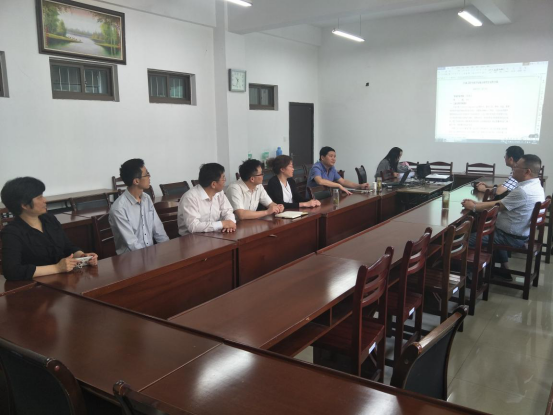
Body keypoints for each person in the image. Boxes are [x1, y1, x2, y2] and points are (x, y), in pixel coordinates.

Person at [461, 154, 545, 280]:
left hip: (510, 237)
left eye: (517, 167)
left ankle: (468, 275)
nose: (513, 169)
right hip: (516, 232)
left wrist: (473, 207)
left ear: (527, 171)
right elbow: (501, 202)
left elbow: (498, 206)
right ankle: (504, 270)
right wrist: (476, 204)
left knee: (467, 239)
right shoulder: (535, 185)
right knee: (491, 228)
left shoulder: (523, 191)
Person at [0, 177, 98, 281]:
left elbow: (67, 246)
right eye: (39, 197)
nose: (45, 200)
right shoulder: (12, 232)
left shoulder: (49, 219)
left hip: (64, 280)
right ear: (24, 205)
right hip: (37, 285)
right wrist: (56, 268)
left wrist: (83, 256)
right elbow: (12, 271)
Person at [109, 159, 169, 255]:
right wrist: (150, 257)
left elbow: (158, 228)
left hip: (150, 254)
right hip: (130, 259)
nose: (149, 176)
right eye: (147, 174)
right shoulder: (119, 208)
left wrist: (168, 249)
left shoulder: (146, 198)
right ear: (136, 181)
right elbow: (132, 243)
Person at [178, 163, 236, 235]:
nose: (225, 181)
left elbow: (228, 211)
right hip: (191, 238)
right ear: (213, 184)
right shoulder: (190, 197)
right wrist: (222, 224)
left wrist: (230, 224)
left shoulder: (219, 193)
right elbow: (193, 226)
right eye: (223, 178)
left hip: (214, 235)